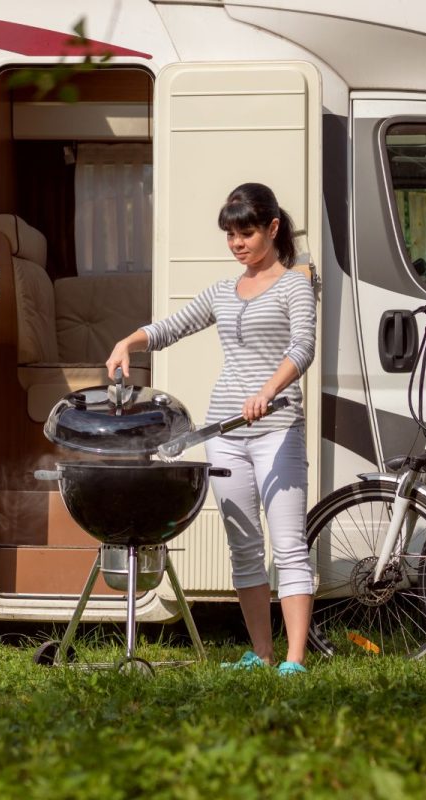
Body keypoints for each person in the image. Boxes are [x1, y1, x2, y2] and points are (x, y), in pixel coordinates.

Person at [105, 182, 316, 675]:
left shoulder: (295, 284)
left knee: (287, 544)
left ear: (272, 228)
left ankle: (295, 659)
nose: (238, 242)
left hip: (276, 427)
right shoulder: (223, 291)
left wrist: (268, 389)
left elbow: (302, 348)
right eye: (231, 235)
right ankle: (260, 653)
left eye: (247, 232)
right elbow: (171, 327)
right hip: (223, 430)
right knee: (243, 544)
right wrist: (127, 343)